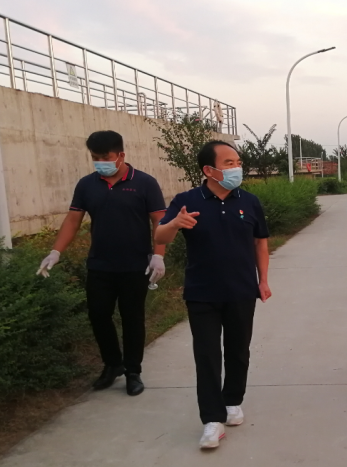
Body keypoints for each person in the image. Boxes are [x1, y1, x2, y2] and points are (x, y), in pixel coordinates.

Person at [154, 140, 271, 450]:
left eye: (238, 162)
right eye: (229, 163)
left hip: (241, 289)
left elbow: (260, 242)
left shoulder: (249, 201)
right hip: (202, 292)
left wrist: (263, 280)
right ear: (209, 170)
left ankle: (232, 400)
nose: (236, 168)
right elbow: (160, 234)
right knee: (206, 354)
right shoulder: (187, 200)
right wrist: (175, 223)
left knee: (238, 350)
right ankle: (211, 420)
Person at [37, 130, 167, 396]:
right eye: (95, 158)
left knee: (132, 319)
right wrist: (55, 251)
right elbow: (73, 220)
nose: (100, 163)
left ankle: (133, 371)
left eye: (105, 158)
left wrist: (159, 255)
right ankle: (112, 364)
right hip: (100, 264)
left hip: (135, 265)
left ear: (121, 155)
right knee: (98, 314)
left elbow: (160, 221)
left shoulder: (144, 183)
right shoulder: (87, 185)